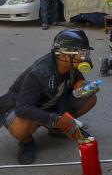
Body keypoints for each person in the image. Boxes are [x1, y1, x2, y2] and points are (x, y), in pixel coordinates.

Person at [0, 29, 98, 164]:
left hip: (49, 103)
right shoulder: (39, 73)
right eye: (81, 53)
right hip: (21, 106)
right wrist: (55, 119)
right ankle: (27, 143)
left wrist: (81, 85)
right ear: (63, 55)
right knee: (21, 124)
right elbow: (22, 108)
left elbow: (77, 80)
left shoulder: (70, 64)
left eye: (85, 53)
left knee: (90, 98)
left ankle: (57, 130)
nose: (85, 57)